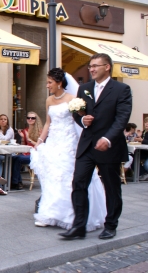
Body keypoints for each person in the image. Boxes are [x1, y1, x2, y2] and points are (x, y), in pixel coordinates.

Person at [57, 54, 132, 240]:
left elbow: (122, 118)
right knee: (78, 183)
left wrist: (108, 138)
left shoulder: (122, 89)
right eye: (90, 66)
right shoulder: (85, 88)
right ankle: (79, 226)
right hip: (87, 144)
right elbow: (77, 112)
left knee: (111, 187)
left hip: (109, 147)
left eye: (95, 66)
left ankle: (111, 225)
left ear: (107, 67)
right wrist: (82, 119)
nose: (91, 69)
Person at [31, 68, 106, 231]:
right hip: (54, 142)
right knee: (52, 178)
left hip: (68, 142)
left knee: (67, 177)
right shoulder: (49, 100)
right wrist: (40, 141)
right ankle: (50, 214)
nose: (47, 85)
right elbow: (48, 123)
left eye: (50, 82)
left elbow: (81, 121)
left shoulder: (73, 99)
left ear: (59, 83)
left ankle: (71, 215)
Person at [11, 111, 43, 190]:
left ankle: (15, 182)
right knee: (12, 158)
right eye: (28, 118)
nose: (30, 119)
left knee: (18, 159)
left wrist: (29, 139)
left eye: (32, 118)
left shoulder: (40, 131)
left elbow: (40, 146)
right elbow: (24, 145)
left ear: (36, 119)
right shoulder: (25, 130)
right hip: (25, 153)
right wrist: (22, 137)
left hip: (35, 154)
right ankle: (18, 181)